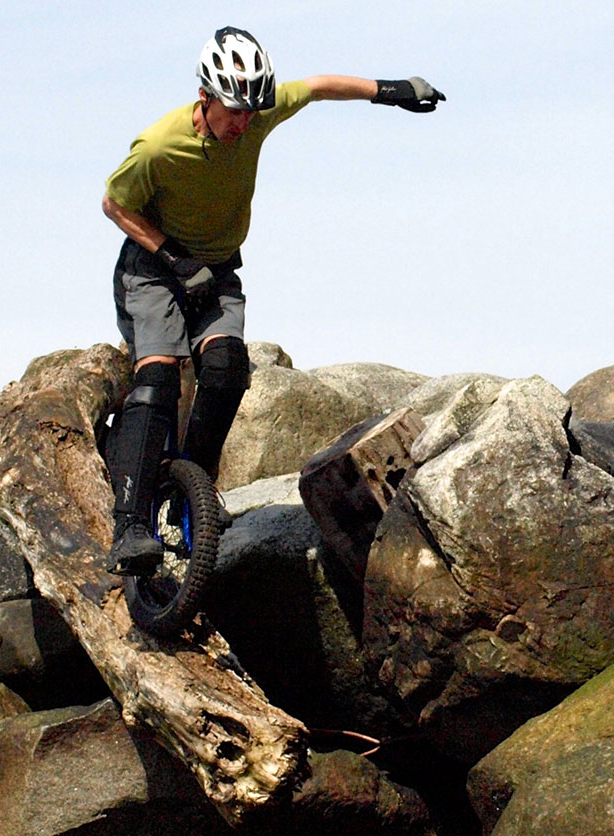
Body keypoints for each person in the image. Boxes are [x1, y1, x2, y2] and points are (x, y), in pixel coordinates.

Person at [102, 26, 444, 575]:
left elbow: (318, 86)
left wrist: (392, 90)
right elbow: (115, 206)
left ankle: (194, 487)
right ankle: (130, 528)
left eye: (250, 111)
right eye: (232, 111)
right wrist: (173, 258)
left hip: (218, 270)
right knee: (159, 380)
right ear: (205, 99)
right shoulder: (160, 147)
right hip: (152, 269)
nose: (243, 122)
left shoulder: (257, 115)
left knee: (226, 370)